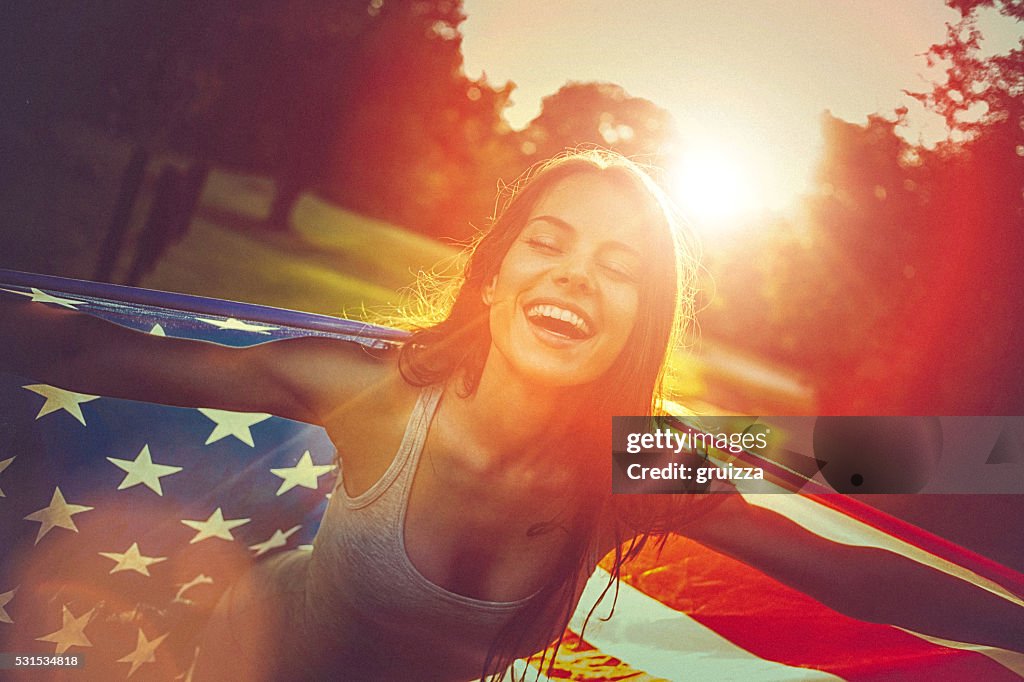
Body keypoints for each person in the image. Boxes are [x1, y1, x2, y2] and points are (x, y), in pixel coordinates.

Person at [1, 150, 1021, 681]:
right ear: (491, 279)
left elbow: (843, 568)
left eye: (619, 266)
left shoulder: (640, 466)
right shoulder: (372, 391)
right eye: (549, 242)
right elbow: (99, 351)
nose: (576, 276)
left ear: (640, 322)